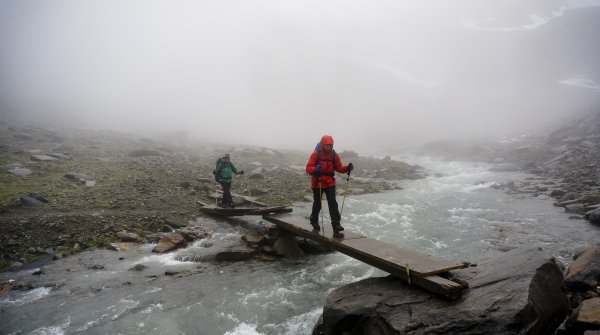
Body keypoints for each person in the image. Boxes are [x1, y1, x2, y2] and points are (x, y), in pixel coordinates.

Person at [306, 135, 354, 233]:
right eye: (327, 145)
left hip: (329, 182)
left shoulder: (333, 154)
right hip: (318, 181)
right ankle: (314, 220)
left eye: (331, 145)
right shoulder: (316, 154)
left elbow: (339, 167)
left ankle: (336, 224)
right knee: (317, 203)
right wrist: (315, 169)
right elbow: (308, 168)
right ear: (323, 144)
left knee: (332, 202)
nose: (329, 147)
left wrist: (347, 168)